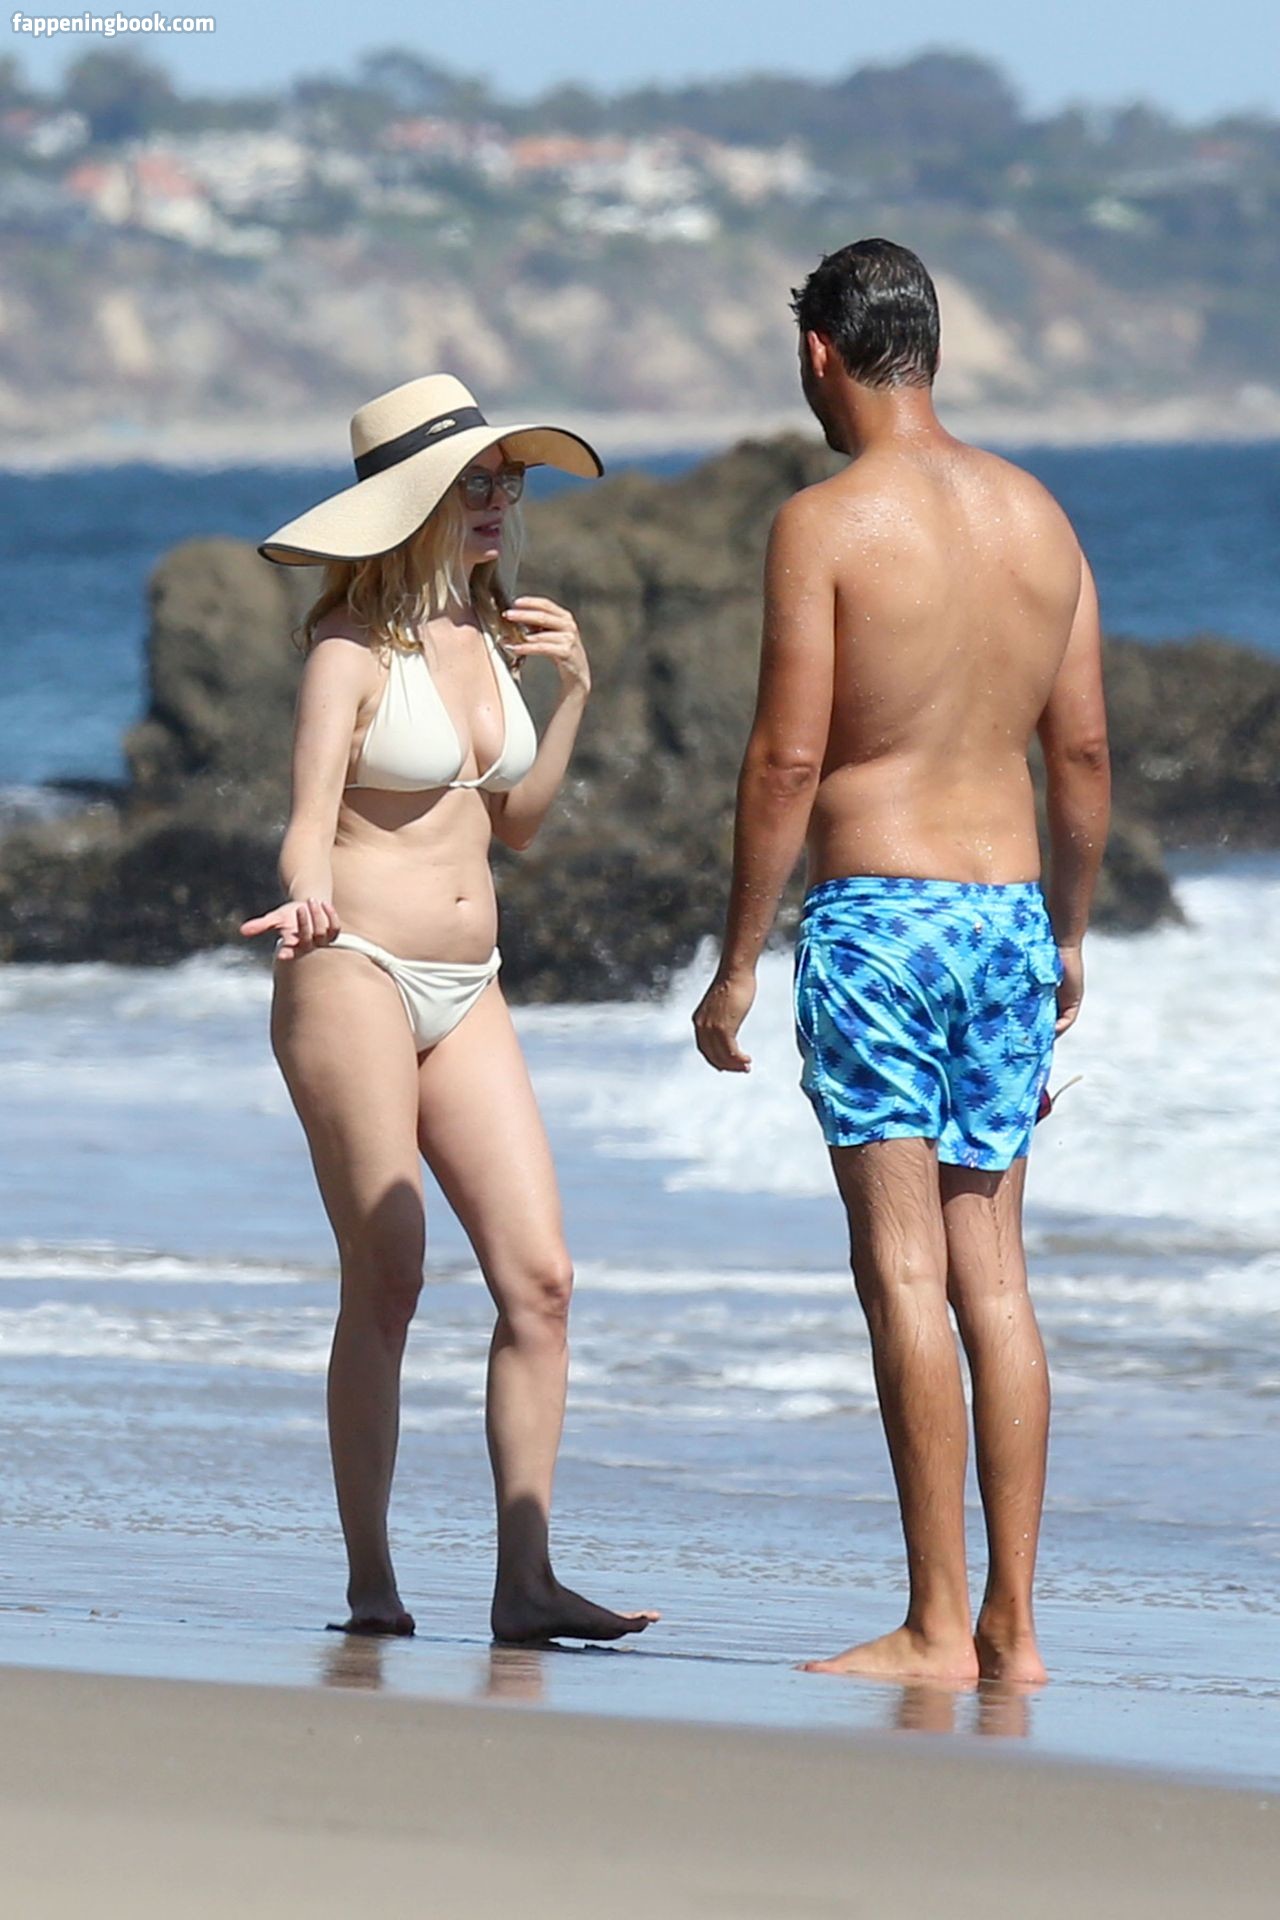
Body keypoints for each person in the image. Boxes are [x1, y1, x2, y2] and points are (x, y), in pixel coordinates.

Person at [692, 241, 1110, 1685]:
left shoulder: (823, 525)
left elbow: (786, 759)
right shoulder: (1039, 515)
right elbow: (1082, 754)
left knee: (902, 1268)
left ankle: (934, 1625)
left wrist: (737, 961)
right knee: (995, 1275)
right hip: (1006, 918)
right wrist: (1067, 934)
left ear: (819, 354)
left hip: (877, 919)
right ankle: (1015, 1628)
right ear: (929, 345)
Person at [243, 373, 659, 1646]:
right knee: (391, 1272)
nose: (500, 500)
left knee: (541, 1282)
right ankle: (371, 1583)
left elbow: (512, 826)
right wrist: (306, 898)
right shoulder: (347, 649)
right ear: (411, 501)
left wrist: (572, 693)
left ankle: (524, 1584)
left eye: (509, 479)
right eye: (474, 481)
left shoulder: (487, 634)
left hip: (468, 985)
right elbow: (307, 825)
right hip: (351, 966)